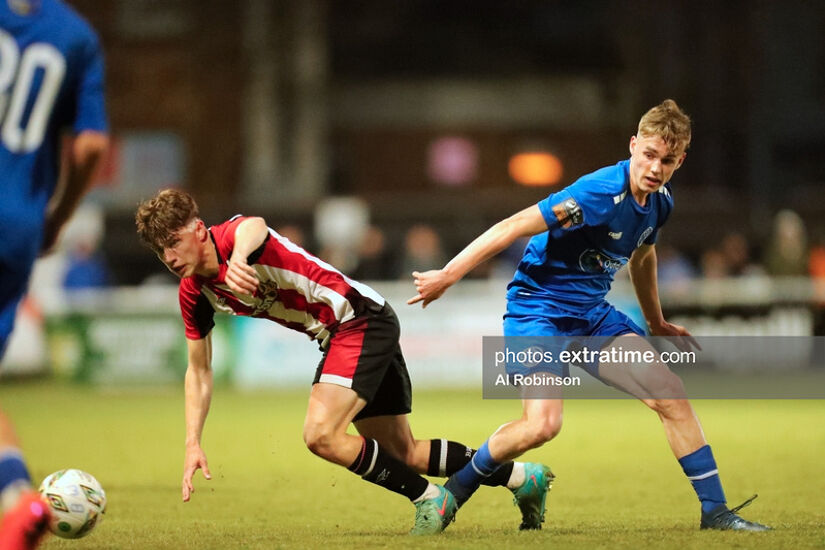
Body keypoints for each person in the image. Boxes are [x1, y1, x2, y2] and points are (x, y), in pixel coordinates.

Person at [409, 100, 771, 532]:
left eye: (667, 160)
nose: (655, 168)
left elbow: (643, 256)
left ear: (680, 161)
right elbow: (512, 226)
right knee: (542, 426)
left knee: (670, 393)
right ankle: (455, 492)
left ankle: (716, 512)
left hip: (591, 317)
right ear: (633, 145)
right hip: (538, 311)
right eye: (650, 155)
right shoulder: (597, 194)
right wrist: (449, 275)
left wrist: (656, 322)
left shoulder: (660, 204)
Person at [134, 189, 554, 535]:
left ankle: (431, 499)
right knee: (402, 453)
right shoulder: (194, 292)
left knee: (320, 434)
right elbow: (200, 370)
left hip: (358, 319)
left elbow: (253, 226)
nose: (169, 257)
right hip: (347, 331)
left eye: (173, 242)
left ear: (198, 230)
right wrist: (192, 441)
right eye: (160, 250)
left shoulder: (232, 240)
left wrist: (240, 260)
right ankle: (520, 478)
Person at [0, 1, 109, 548]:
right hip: (19, 225)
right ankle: (17, 500)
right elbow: (90, 144)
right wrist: (58, 217)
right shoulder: (74, 35)